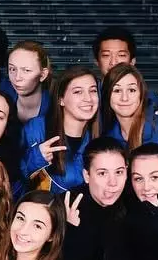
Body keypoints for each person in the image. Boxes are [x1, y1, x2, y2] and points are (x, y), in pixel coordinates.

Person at [21, 65, 101, 194]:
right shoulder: (37, 129)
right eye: (78, 92)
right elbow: (13, 178)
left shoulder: (98, 138)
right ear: (61, 99)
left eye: (93, 91)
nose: (88, 99)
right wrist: (36, 157)